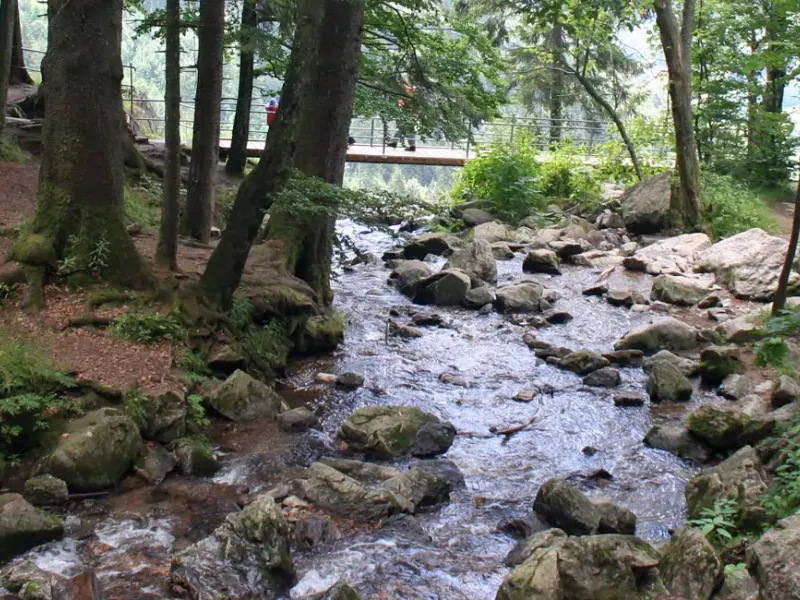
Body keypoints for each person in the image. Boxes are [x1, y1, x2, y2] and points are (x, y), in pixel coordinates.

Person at [387, 84, 417, 152]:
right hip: (408, 115)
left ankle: (412, 146)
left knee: (409, 130)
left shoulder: (410, 98)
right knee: (403, 129)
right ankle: (394, 142)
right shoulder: (407, 98)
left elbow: (405, 105)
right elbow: (401, 103)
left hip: (410, 116)